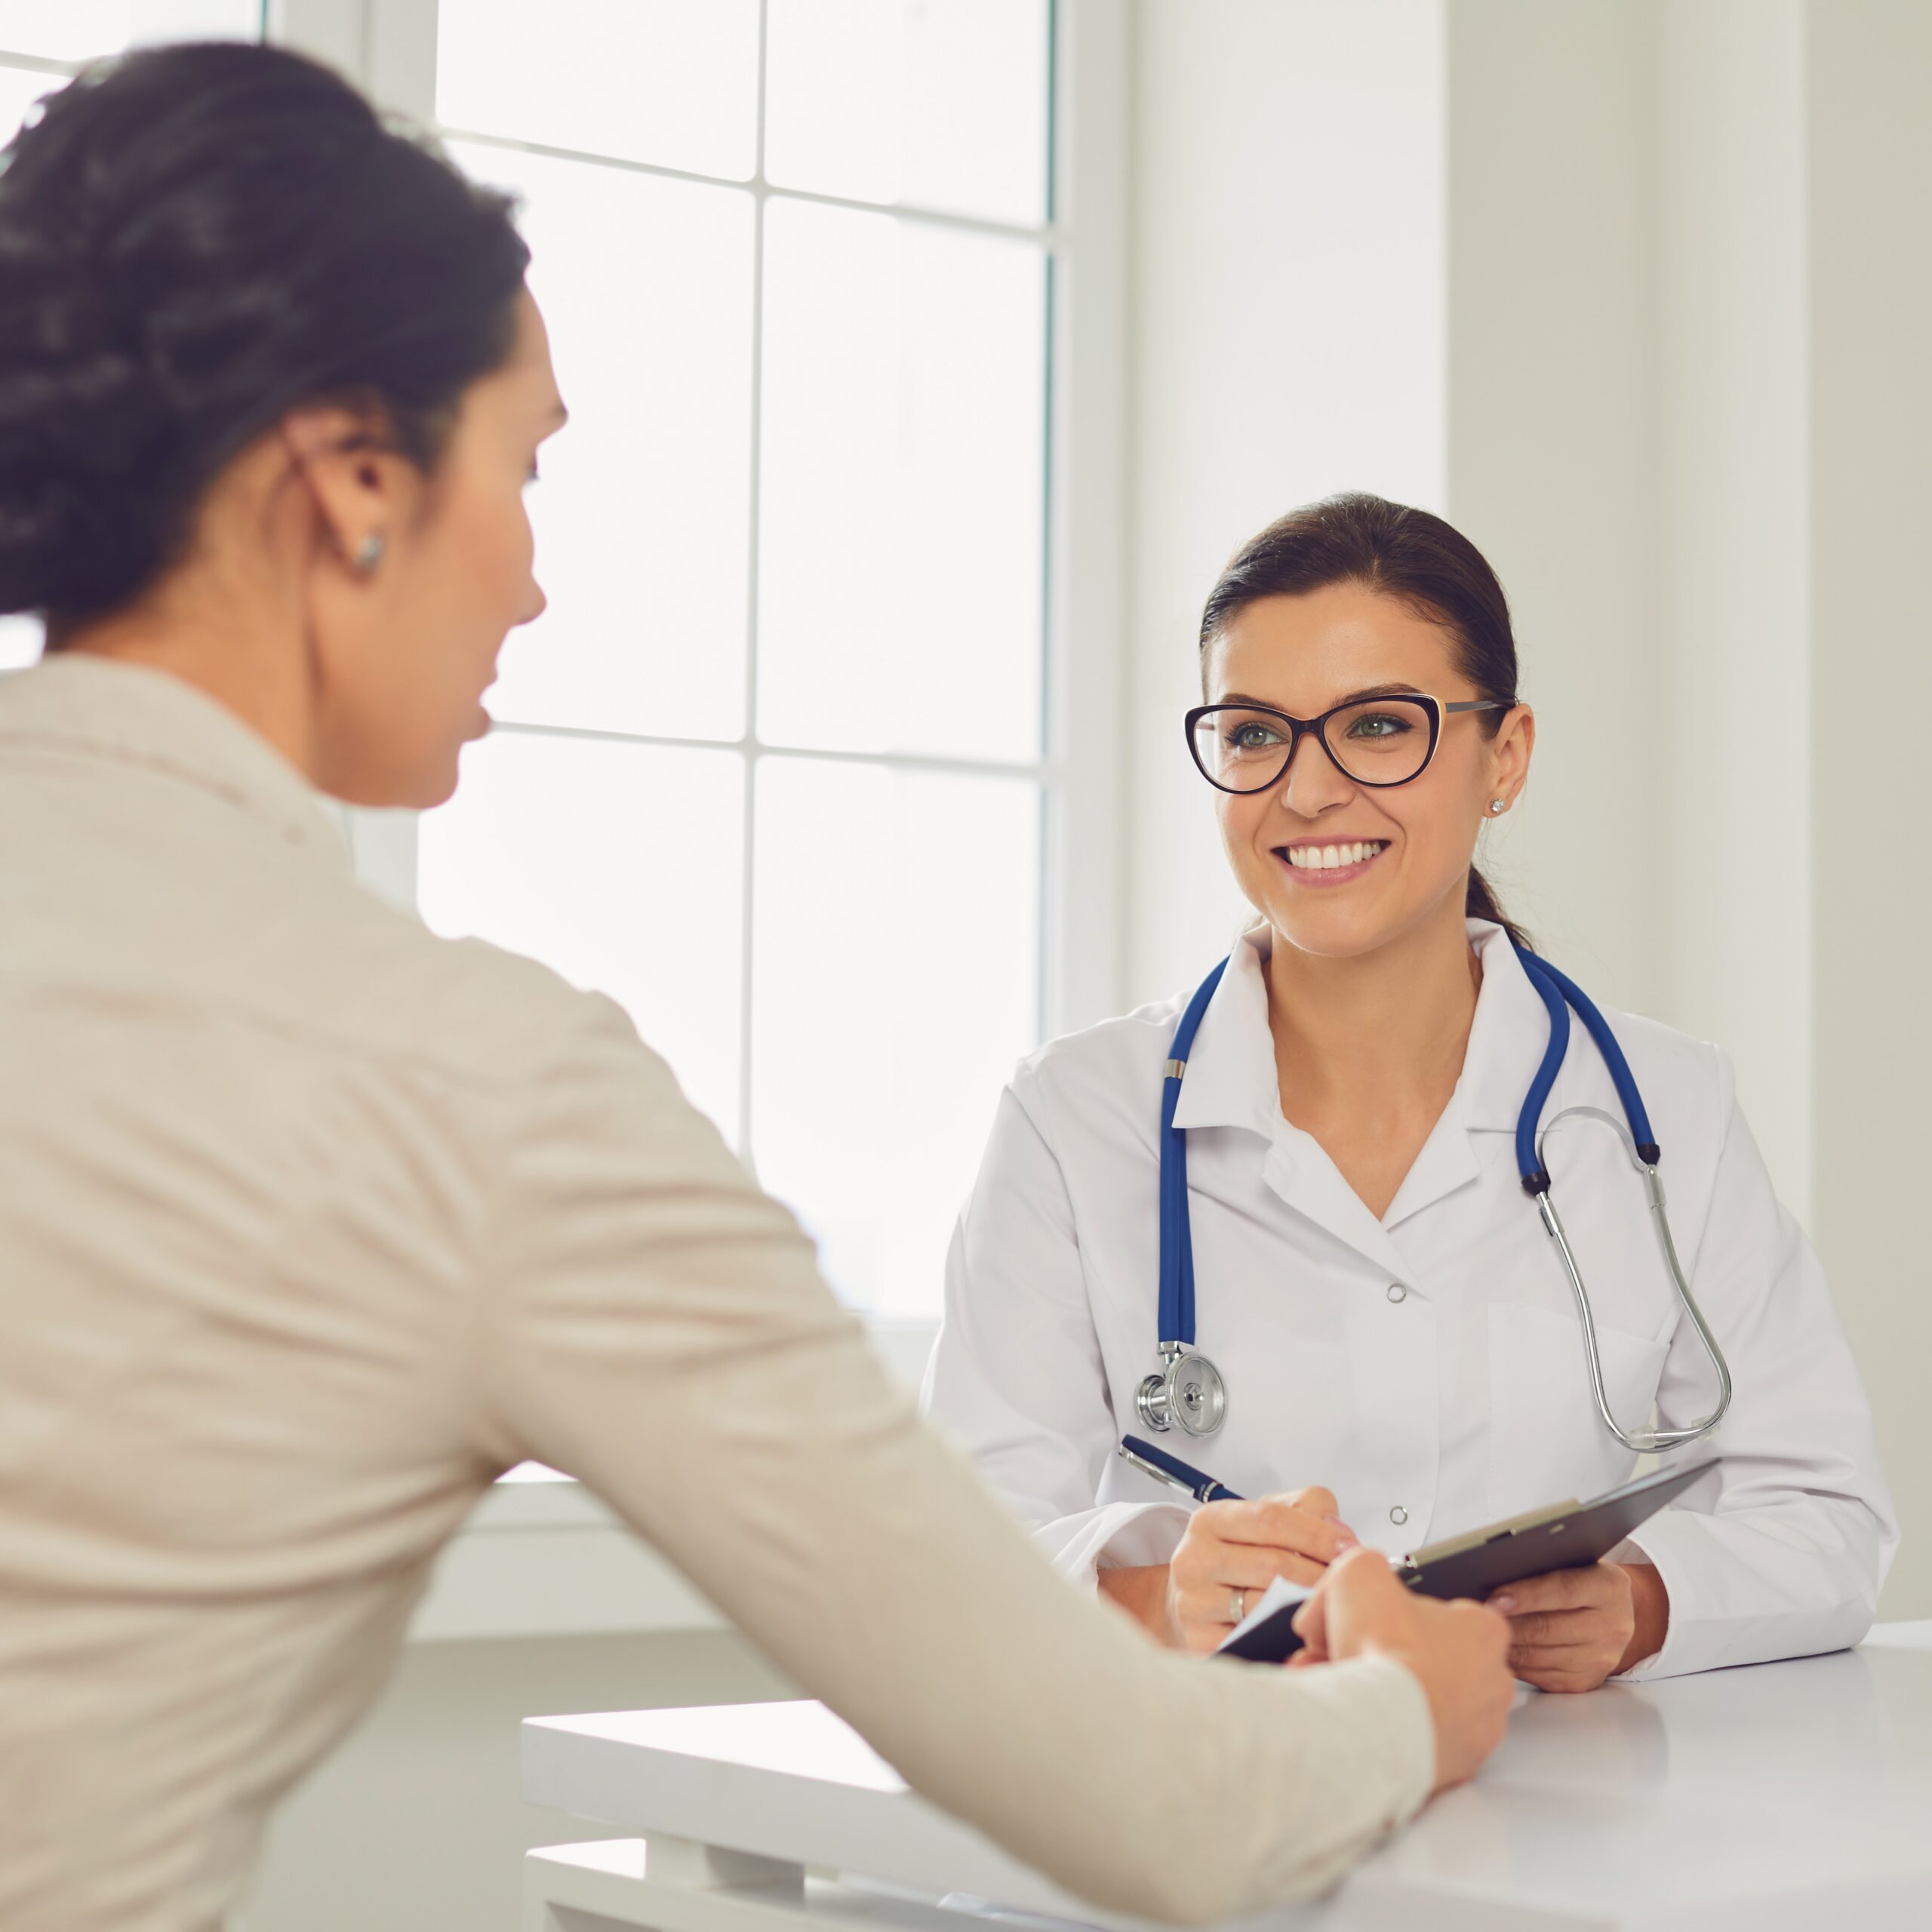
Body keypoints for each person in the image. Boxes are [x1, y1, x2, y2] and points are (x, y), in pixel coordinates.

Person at [0, 45, 1517, 1932]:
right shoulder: (477, 1084)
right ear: (356, 481)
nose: (534, 581)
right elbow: (1166, 1809)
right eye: (525, 467)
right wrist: (1407, 1702)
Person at [924, 494, 1897, 1687]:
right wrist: (1153, 1593)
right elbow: (955, 1558)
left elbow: (1828, 1519)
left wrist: (1641, 1607)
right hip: (1214, 1815)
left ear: (1507, 756)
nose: (1310, 789)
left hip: (1574, 1832)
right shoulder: (1076, 1119)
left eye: (1378, 726)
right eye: (1252, 733)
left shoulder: (1663, 1110)